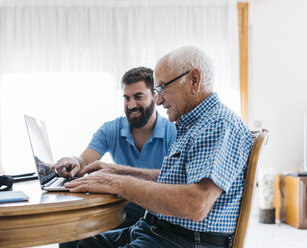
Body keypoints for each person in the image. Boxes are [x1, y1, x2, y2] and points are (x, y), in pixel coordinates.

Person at [63, 46, 254, 248]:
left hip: (183, 240)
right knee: (71, 240)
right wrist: (115, 170)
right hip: (155, 230)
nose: (159, 99)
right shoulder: (193, 123)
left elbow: (196, 204)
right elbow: (173, 180)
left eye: (162, 88)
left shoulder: (218, 124)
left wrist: (115, 182)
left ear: (194, 80)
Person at [53, 67, 177, 229]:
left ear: (155, 97)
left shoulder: (172, 131)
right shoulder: (111, 129)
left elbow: (175, 178)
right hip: (123, 207)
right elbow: (84, 161)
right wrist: (73, 161)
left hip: (157, 210)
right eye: (126, 98)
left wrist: (117, 172)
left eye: (138, 97)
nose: (131, 105)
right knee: (73, 228)